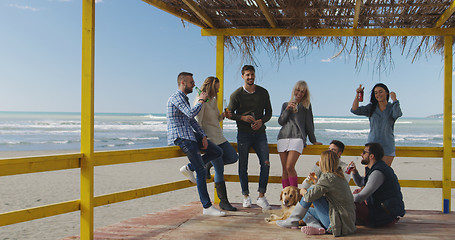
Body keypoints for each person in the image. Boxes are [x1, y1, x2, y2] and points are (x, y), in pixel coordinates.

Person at [167, 72, 225, 217]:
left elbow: (192, 122)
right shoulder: (175, 98)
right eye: (191, 82)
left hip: (191, 136)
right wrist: (200, 101)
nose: (194, 84)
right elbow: (190, 114)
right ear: (183, 83)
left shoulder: (184, 98)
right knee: (201, 169)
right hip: (181, 137)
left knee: (217, 151)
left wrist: (203, 135)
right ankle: (207, 207)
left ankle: (188, 167)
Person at [277, 150, 356, 237]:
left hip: (336, 225)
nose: (319, 163)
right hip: (347, 224)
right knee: (306, 211)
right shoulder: (338, 175)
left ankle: (292, 221)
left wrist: (303, 191)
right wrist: (317, 182)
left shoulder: (327, 177)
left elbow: (309, 197)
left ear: (324, 163)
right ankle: (317, 228)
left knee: (311, 190)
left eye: (320, 161)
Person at [226, 65, 272, 210]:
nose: (250, 77)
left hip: (260, 134)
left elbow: (269, 113)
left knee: (265, 164)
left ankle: (261, 196)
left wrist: (261, 121)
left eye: (252, 74)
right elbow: (229, 114)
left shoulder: (263, 92)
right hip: (243, 134)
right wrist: (243, 118)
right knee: (243, 166)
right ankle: (245, 196)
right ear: (242, 76)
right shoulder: (236, 95)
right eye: (247, 75)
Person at [192, 76, 239, 211]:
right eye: (216, 88)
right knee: (220, 170)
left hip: (220, 137)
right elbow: (197, 122)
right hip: (211, 140)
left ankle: (207, 164)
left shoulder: (212, 100)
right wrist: (203, 138)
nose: (218, 91)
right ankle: (223, 202)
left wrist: (222, 116)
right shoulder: (201, 100)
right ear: (211, 87)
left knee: (233, 157)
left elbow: (214, 119)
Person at [277, 80, 322, 188]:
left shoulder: (306, 106)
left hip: (297, 138)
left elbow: (309, 124)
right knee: (284, 170)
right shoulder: (285, 105)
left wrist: (313, 140)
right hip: (283, 137)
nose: (299, 93)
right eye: (298, 90)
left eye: (303, 91)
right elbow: (281, 122)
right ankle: (286, 198)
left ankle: (295, 195)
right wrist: (287, 110)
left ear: (305, 93)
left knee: (289, 167)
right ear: (294, 90)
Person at [351, 142, 405, 227]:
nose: (362, 154)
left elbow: (361, 196)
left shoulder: (378, 172)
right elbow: (361, 183)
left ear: (371, 156)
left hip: (385, 216)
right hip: (385, 211)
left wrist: (342, 198)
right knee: (356, 192)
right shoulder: (377, 167)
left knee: (350, 204)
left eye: (364, 152)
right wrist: (354, 172)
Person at [351, 83, 402, 166]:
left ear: (386, 93)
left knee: (384, 174)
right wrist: (357, 95)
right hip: (372, 146)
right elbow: (355, 110)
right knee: (369, 174)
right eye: (376, 93)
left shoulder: (392, 107)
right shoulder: (371, 107)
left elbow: (397, 114)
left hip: (387, 146)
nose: (378, 94)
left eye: (380, 92)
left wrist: (395, 100)